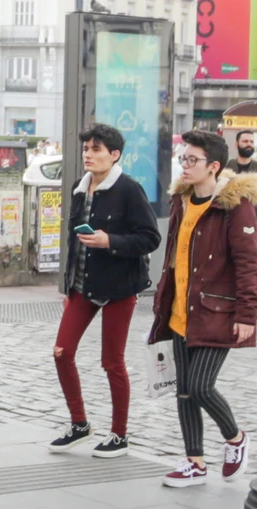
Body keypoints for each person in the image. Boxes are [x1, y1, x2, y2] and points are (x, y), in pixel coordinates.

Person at [147, 129, 257, 488]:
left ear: (213, 166)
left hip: (216, 313)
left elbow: (248, 264)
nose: (185, 165)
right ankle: (194, 462)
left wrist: (247, 314)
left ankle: (236, 439)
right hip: (181, 310)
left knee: (199, 386)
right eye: (183, 158)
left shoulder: (233, 206)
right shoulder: (182, 201)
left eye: (192, 160)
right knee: (183, 390)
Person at [49, 122, 160, 458]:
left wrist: (109, 241)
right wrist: (69, 283)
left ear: (114, 155)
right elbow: (73, 241)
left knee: (112, 362)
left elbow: (150, 238)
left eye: (96, 150)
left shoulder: (129, 189)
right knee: (61, 352)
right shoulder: (79, 189)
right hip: (82, 286)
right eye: (86, 149)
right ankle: (79, 423)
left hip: (119, 287)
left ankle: (119, 435)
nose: (88, 155)